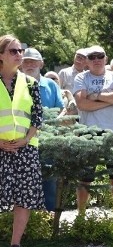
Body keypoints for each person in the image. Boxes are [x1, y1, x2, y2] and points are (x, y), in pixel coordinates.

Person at [0, 35, 45, 247]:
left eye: (20, 51)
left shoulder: (30, 83)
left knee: (23, 198)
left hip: (25, 149)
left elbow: (37, 117)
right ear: (1, 55)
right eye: (13, 51)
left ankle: (15, 246)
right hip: (0, 149)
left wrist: (26, 140)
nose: (19, 55)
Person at [73, 45, 113, 215]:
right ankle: (81, 215)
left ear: (106, 58)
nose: (96, 59)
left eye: (100, 56)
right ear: (87, 61)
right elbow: (82, 104)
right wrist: (110, 99)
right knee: (85, 177)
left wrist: (95, 96)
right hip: (88, 133)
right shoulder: (81, 77)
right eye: (92, 56)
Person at [20, 48, 64, 212]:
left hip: (47, 140)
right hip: (21, 140)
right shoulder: (14, 84)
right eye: (26, 61)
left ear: (41, 63)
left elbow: (60, 109)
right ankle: (27, 220)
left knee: (49, 180)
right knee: (23, 182)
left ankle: (49, 215)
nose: (29, 64)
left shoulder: (51, 85)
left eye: (33, 61)